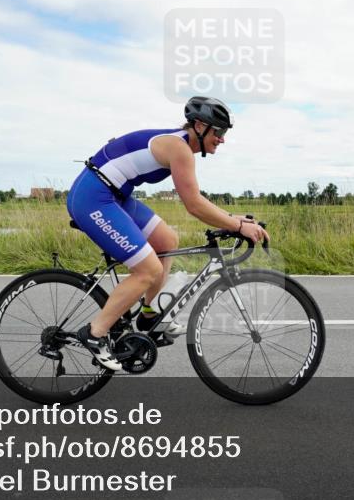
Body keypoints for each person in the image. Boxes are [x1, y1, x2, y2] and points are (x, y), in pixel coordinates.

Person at [66, 96, 270, 370]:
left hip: (115, 195)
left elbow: (196, 198)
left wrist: (233, 219)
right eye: (218, 131)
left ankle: (148, 315)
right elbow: (194, 204)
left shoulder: (180, 145)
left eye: (225, 133)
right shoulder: (179, 148)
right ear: (199, 125)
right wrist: (239, 226)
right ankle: (95, 333)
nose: (222, 139)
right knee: (148, 270)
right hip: (94, 196)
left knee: (167, 240)